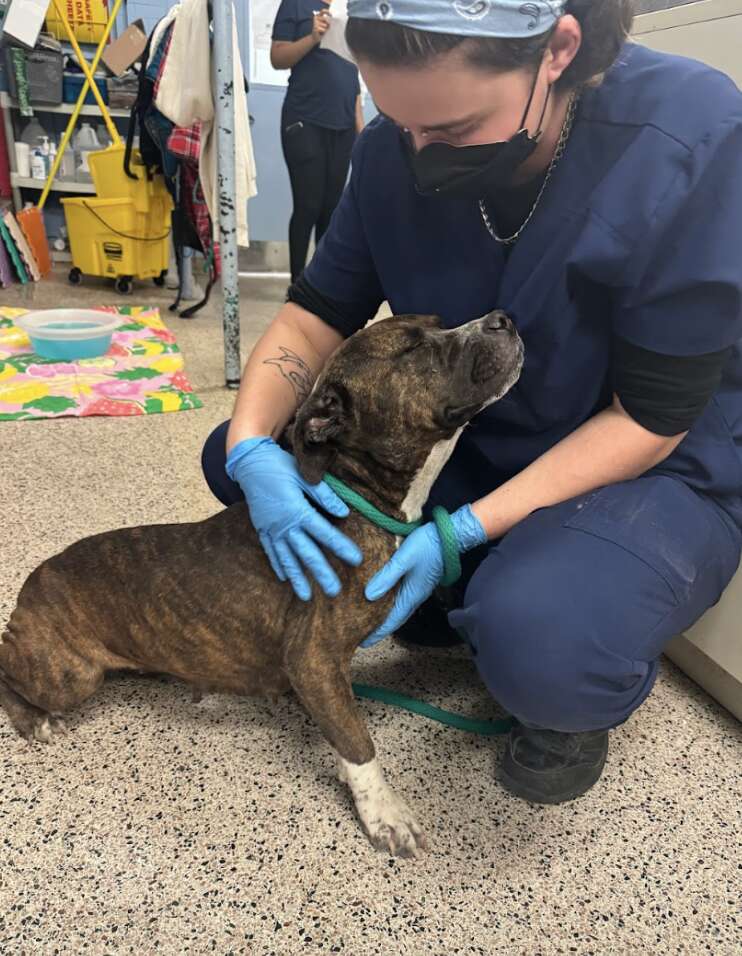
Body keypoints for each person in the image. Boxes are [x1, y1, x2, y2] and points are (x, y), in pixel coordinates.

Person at [202, 0, 742, 805]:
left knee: (540, 640)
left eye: (449, 130)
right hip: (487, 439)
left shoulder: (692, 136)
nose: (417, 154)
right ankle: (465, 582)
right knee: (233, 456)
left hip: (649, 462)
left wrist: (460, 532)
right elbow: (314, 315)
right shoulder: (398, 146)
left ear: (557, 51)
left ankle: (553, 663)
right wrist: (250, 447)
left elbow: (651, 417)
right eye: (395, 120)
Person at [271, 0, 365, 282]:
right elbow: (277, 58)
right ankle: (296, 286)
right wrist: (313, 37)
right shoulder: (296, 5)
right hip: (305, 120)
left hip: (344, 125)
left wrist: (361, 129)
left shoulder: (349, 10)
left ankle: (322, 286)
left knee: (331, 210)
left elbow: (352, 76)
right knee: (308, 206)